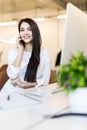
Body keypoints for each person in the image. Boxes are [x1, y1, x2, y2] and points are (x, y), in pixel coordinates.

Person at [1, 18, 51, 93]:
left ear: (35, 31)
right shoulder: (13, 52)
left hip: (31, 93)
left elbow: (45, 80)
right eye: (22, 30)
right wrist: (21, 50)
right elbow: (12, 75)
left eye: (29, 29)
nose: (25, 33)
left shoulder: (44, 52)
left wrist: (23, 85)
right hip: (11, 93)